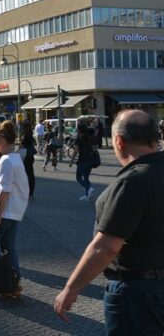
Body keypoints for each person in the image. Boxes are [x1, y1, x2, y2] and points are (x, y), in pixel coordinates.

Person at [54, 110, 164, 335]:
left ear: (119, 141)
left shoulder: (133, 182)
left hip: (137, 293)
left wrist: (71, 289)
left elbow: (106, 248)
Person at [0, 120, 30, 298]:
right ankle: (13, 284)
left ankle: (4, 278)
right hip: (15, 211)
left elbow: (5, 191)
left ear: (2, 140)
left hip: (6, 212)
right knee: (9, 247)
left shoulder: (6, 161)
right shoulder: (16, 158)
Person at [75, 123, 96, 202]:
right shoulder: (89, 138)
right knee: (86, 178)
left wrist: (72, 161)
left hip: (82, 160)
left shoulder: (78, 139)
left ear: (79, 130)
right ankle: (87, 195)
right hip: (90, 160)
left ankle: (89, 188)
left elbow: (76, 151)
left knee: (79, 178)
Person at [20, 121, 36, 199]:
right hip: (30, 157)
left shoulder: (26, 136)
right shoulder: (31, 135)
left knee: (27, 175)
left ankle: (28, 192)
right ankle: (30, 192)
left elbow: (22, 146)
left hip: (26, 157)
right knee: (30, 175)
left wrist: (15, 153)